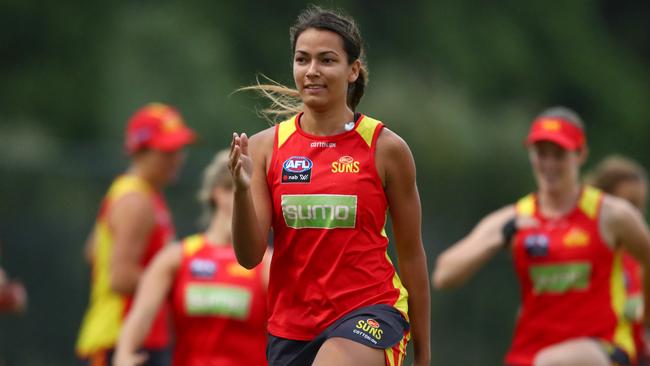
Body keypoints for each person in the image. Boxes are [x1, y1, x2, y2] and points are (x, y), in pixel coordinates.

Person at [229, 6, 430, 366]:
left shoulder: (386, 148)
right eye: (302, 59)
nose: (312, 71)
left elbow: (412, 255)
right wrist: (242, 192)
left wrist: (425, 355)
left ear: (353, 70)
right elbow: (249, 257)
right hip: (291, 327)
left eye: (327, 60)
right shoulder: (264, 148)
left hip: (370, 311)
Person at [432, 107, 650, 366]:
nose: (548, 164)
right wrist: (499, 238)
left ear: (580, 154)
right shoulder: (516, 217)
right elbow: (443, 275)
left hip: (603, 350)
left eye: (558, 155)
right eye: (541, 154)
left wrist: (644, 321)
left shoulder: (611, 215)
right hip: (530, 353)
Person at [113, 150, 270, 366]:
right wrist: (124, 354)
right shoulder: (177, 257)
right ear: (220, 193)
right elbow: (140, 314)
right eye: (245, 190)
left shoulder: (267, 263)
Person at [76, 103, 195, 366]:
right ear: (140, 151)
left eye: (179, 149)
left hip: (131, 337)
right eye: (168, 151)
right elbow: (121, 278)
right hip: (121, 339)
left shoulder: (133, 192)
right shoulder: (136, 201)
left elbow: (92, 251)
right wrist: (179, 283)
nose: (178, 158)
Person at [587, 155, 649, 366]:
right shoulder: (586, 253)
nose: (637, 216)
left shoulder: (641, 255)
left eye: (641, 206)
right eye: (630, 205)